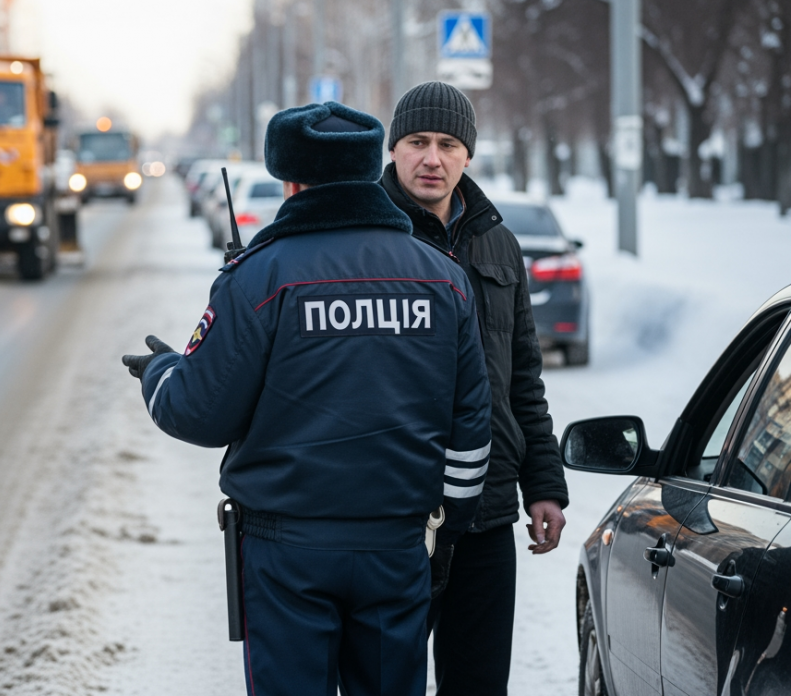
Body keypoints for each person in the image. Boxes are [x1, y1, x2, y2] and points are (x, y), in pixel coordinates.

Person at [121, 102, 492, 696]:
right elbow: (471, 427)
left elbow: (198, 411)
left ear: (289, 180)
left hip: (284, 553)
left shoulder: (262, 276)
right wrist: (445, 530)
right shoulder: (443, 277)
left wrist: (161, 371)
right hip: (397, 548)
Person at [380, 81, 570, 695]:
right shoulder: (365, 239)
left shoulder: (498, 243)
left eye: (447, 144)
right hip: (392, 514)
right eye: (417, 142)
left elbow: (523, 378)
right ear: (394, 149)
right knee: (386, 682)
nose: (431, 158)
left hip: (487, 513)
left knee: (479, 683)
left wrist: (543, 484)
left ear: (467, 156)